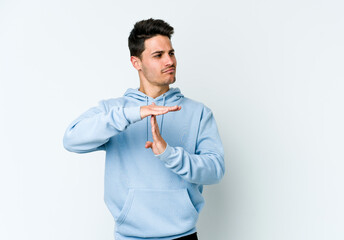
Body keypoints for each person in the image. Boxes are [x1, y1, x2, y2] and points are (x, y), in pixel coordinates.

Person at [63, 18, 225, 240]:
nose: (169, 61)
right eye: (158, 55)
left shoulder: (198, 113)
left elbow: (215, 170)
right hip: (130, 237)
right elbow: (72, 138)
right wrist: (134, 113)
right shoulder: (115, 111)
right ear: (136, 62)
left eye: (171, 53)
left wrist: (169, 154)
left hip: (183, 235)